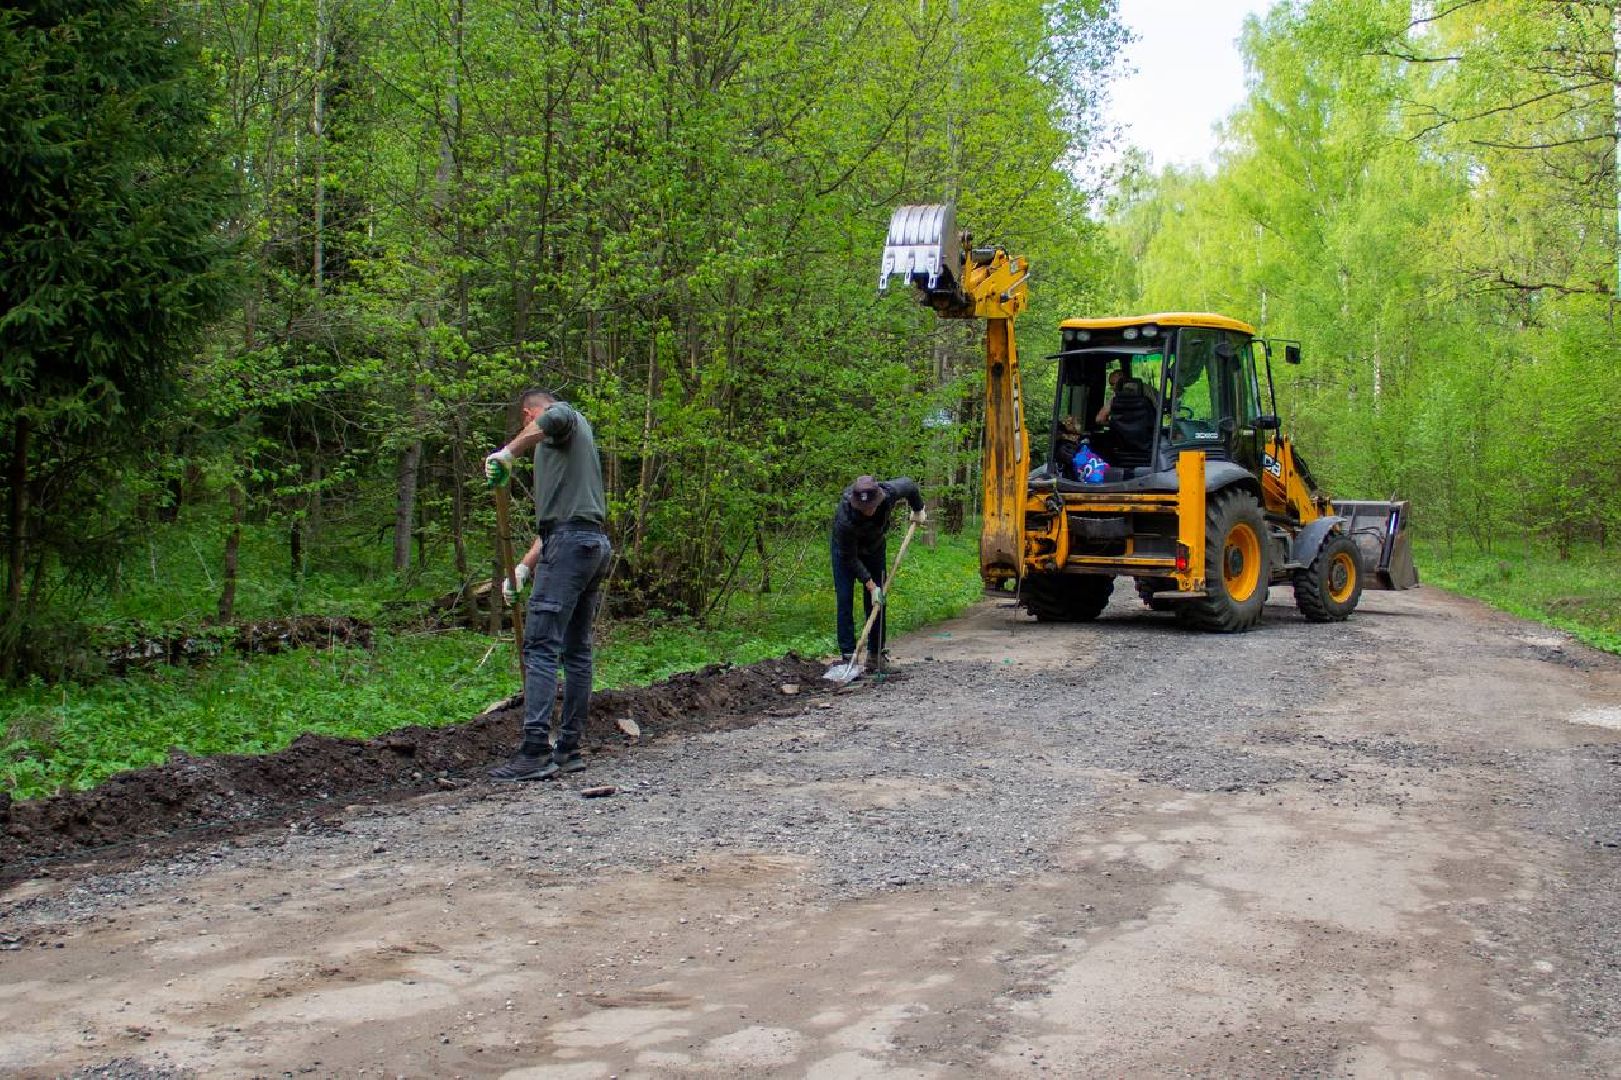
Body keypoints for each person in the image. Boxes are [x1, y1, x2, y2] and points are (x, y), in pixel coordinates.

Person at [483, 388, 612, 782]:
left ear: (528, 414)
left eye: (529, 423)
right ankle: (569, 749)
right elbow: (557, 524)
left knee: (540, 646)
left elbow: (556, 415)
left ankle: (535, 751)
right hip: (589, 545)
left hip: (573, 547)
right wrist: (523, 568)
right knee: (576, 650)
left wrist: (509, 452)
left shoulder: (562, 419)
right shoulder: (566, 457)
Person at [830, 475, 925, 668]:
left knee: (878, 603)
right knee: (845, 598)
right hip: (847, 553)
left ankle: (875, 655)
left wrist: (918, 508)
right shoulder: (844, 520)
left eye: (872, 506)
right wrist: (871, 585)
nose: (869, 511)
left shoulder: (888, 493)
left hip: (874, 547)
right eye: (864, 509)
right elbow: (850, 558)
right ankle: (849, 656)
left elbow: (910, 485)